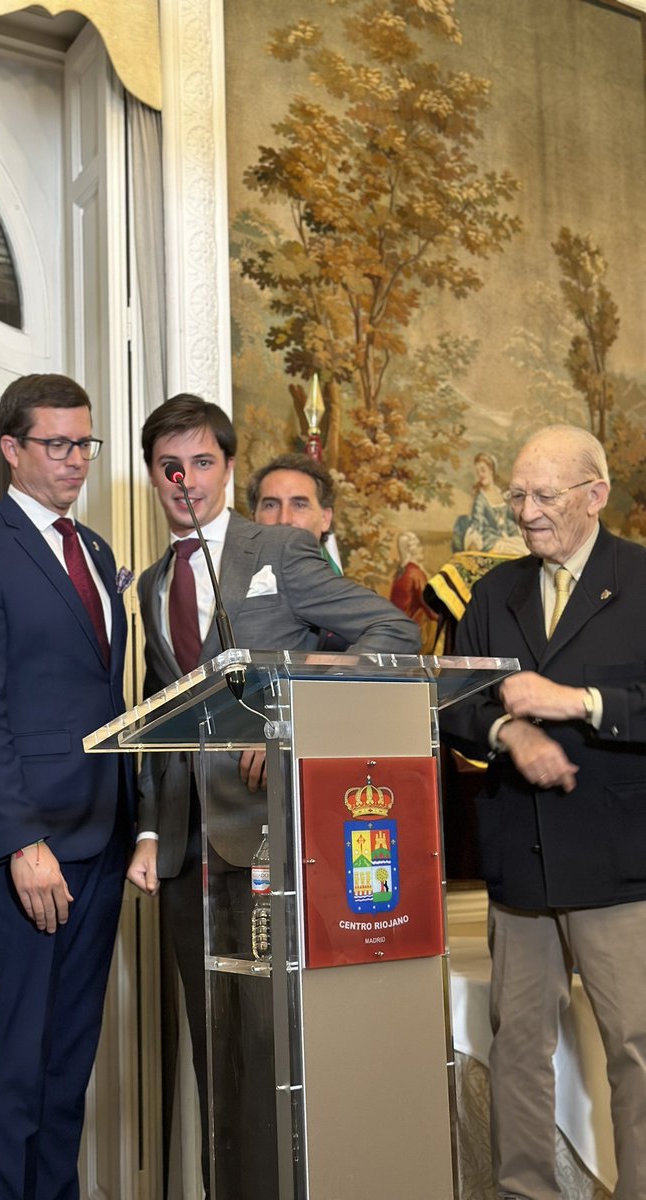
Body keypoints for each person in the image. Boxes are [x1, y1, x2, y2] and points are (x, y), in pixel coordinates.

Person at [127, 394, 419, 1195]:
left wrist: (294, 707)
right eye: (170, 466)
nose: (186, 480)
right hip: (185, 856)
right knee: (213, 1051)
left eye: (203, 462)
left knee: (270, 1049)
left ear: (227, 468)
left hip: (270, 838)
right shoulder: (152, 584)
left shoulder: (281, 550)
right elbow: (159, 712)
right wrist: (150, 832)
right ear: (154, 475)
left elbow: (393, 632)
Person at [0, 374, 134, 1200]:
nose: (75, 459)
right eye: (57, 444)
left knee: (65, 1066)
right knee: (15, 1067)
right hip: (26, 851)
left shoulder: (97, 553)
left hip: (100, 840)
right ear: (11, 449)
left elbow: (102, 697)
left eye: (85, 443)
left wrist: (137, 826)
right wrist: (20, 843)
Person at [443, 424, 646, 1200]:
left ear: (596, 496)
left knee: (635, 1051)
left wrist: (579, 702)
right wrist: (508, 730)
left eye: (545, 496)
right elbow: (456, 704)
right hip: (518, 865)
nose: (526, 512)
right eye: (517, 495)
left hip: (621, 864)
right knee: (518, 1050)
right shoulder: (494, 591)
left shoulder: (640, 579)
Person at [247, 451, 341, 573]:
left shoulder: (339, 585)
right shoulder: (225, 583)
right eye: (271, 505)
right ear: (253, 519)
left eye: (299, 505)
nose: (284, 520)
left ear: (325, 519)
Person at [452, 451, 525, 555]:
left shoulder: (503, 494)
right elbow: (477, 523)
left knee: (525, 548)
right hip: (490, 542)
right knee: (515, 550)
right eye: (478, 472)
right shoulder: (480, 499)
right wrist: (473, 541)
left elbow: (511, 519)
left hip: (507, 538)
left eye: (483, 470)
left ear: (491, 470)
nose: (480, 475)